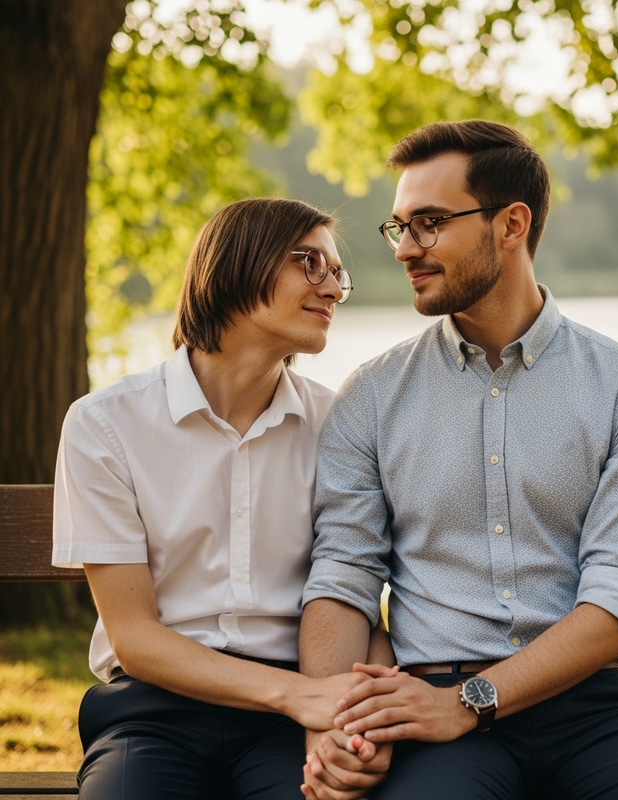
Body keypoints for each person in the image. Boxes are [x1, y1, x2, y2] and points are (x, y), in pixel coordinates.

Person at [299, 121, 618, 800]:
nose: (406, 248)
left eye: (430, 223)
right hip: (431, 709)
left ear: (511, 224)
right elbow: (345, 577)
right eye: (400, 227)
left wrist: (470, 700)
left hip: (594, 707)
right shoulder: (372, 395)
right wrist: (331, 729)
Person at [51, 197, 392, 800]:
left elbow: (355, 587)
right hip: (151, 711)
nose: (334, 289)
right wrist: (302, 699)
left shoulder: (336, 424)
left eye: (337, 271)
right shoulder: (105, 424)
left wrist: (350, 722)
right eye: (311, 263)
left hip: (290, 716)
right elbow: (134, 637)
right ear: (237, 265)